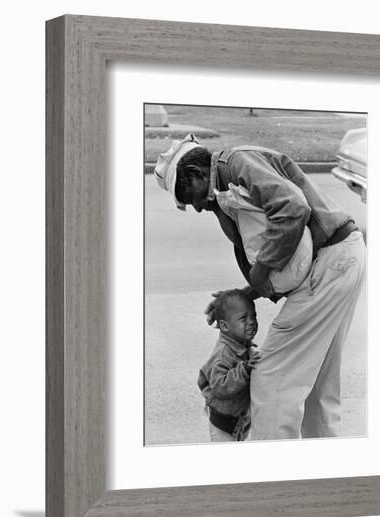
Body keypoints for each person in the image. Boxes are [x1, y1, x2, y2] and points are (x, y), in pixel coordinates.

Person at [155, 133, 366, 440]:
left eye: (191, 197)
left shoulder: (236, 162)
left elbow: (292, 208)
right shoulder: (227, 181)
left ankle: (271, 474)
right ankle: (325, 473)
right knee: (318, 387)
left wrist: (261, 271)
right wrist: (245, 293)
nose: (197, 207)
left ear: (197, 174)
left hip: (330, 265)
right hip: (342, 258)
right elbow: (280, 260)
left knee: (271, 380)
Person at [197, 289, 259, 442]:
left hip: (240, 420)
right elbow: (220, 387)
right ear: (225, 327)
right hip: (223, 424)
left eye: (254, 316)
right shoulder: (222, 355)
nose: (251, 322)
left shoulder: (241, 345)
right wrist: (243, 370)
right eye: (244, 318)